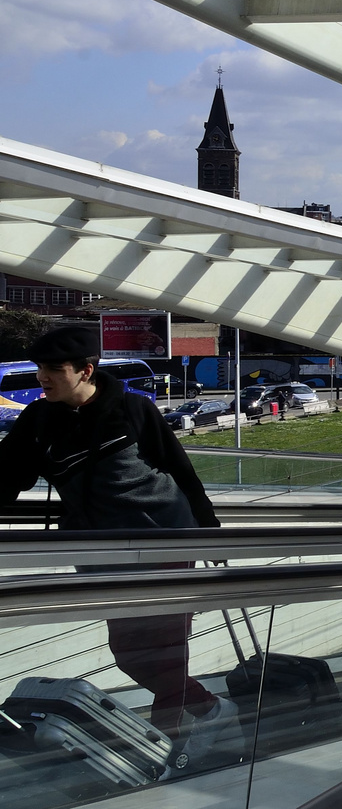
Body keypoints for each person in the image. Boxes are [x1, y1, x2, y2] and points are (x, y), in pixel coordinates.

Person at [0, 326, 238, 768]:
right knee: (131, 656)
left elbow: (180, 471)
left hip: (162, 540)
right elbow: (5, 478)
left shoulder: (132, 409)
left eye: (54, 370)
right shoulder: (38, 421)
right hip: (101, 553)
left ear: (86, 370)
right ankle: (210, 713)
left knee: (162, 651)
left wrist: (210, 532)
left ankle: (173, 747)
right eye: (39, 369)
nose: (42, 378)